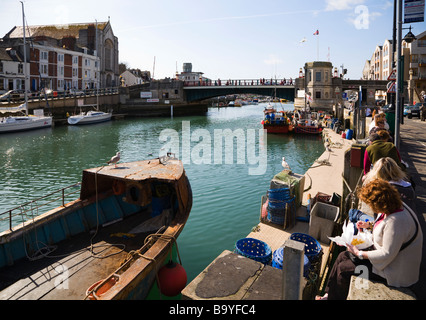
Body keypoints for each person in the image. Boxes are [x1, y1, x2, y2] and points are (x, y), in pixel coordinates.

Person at [317, 179, 422, 300]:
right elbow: (385, 227)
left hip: (395, 272)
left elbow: (386, 254)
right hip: (390, 262)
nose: (371, 208)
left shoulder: (396, 222)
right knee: (342, 256)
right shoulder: (397, 207)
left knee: (344, 269)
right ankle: (329, 294)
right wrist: (369, 225)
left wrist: (359, 253)